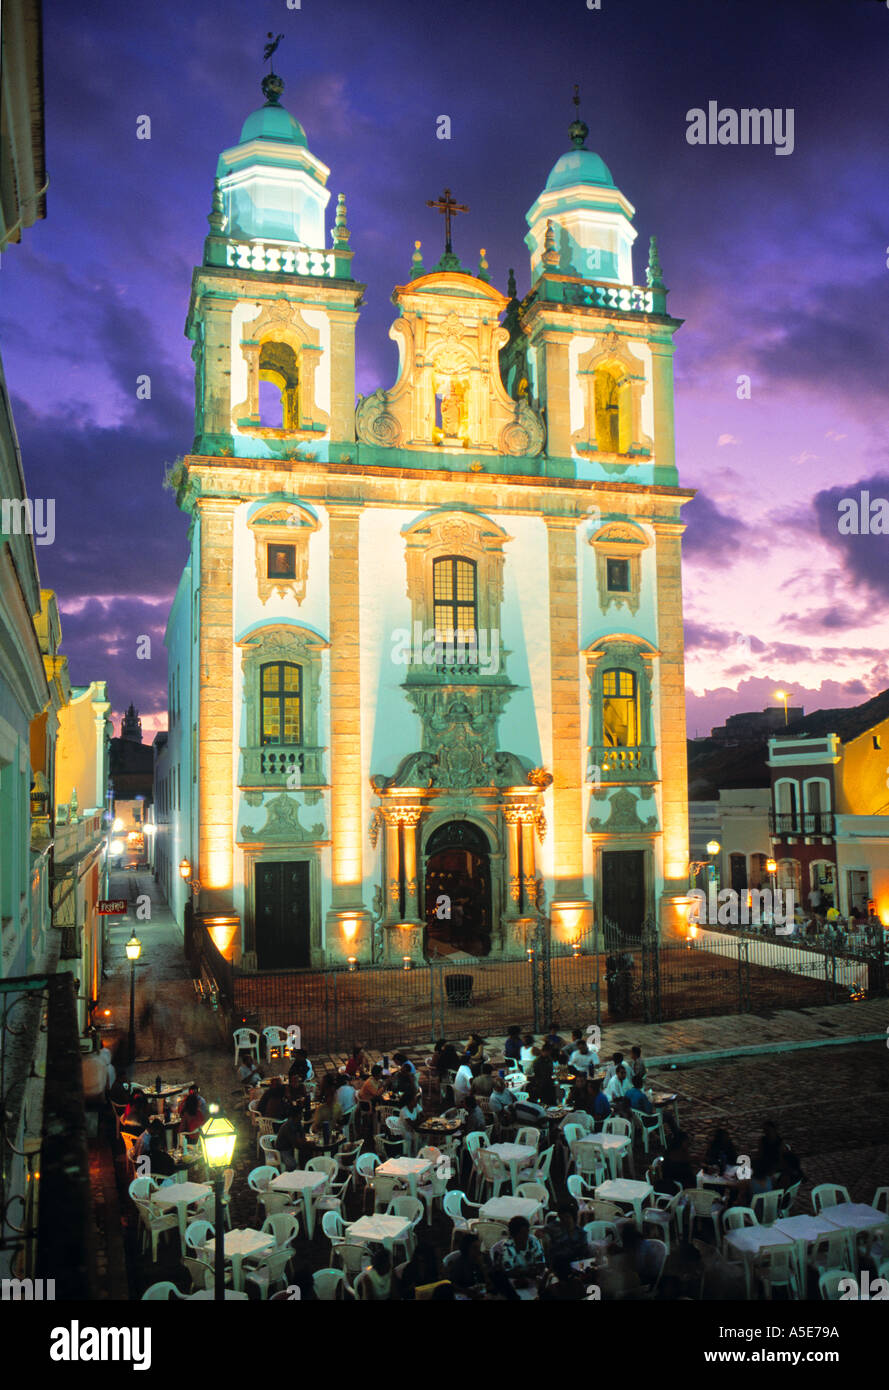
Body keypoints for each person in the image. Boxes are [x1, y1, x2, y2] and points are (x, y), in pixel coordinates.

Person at [490, 1216, 546, 1296]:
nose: (526, 1235)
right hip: (516, 1284)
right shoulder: (507, 1247)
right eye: (522, 1233)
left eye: (527, 1231)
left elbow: (541, 1264)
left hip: (535, 1280)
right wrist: (529, 1273)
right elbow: (508, 1272)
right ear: (514, 1235)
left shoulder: (533, 1241)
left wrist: (527, 1273)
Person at [546, 1202, 590, 1267]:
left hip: (576, 1265)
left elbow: (584, 1253)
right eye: (562, 1218)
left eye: (567, 1217)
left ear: (573, 1217)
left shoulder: (581, 1234)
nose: (565, 1220)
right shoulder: (556, 1231)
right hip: (559, 1265)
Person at [446, 1232, 488, 1296]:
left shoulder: (478, 1261)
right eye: (474, 1248)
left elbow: (486, 1282)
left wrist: (482, 1267)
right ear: (466, 1249)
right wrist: (468, 1292)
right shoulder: (460, 1264)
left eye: (479, 1247)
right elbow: (453, 1285)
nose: (478, 1251)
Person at [275, 1106, 306, 1171]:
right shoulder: (288, 1126)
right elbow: (296, 1144)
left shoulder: (297, 1122)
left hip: (290, 1148)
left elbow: (302, 1134)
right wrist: (302, 1140)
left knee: (305, 1154)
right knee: (292, 1165)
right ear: (297, 1115)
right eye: (301, 1114)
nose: (302, 1115)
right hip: (282, 1150)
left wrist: (302, 1139)